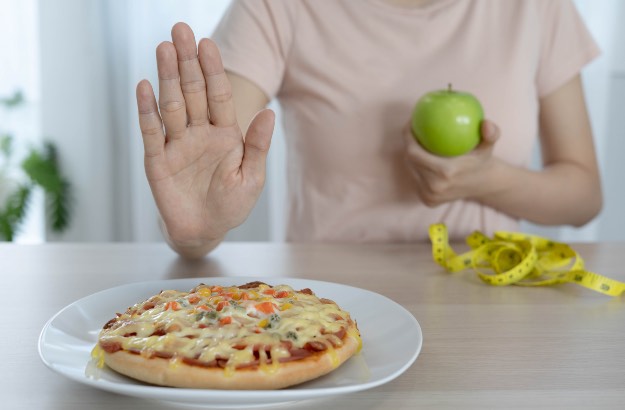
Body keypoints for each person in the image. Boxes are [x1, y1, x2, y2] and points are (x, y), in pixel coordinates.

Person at [136, 0, 602, 259]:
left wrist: (490, 181)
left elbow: (584, 197)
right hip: (328, 309)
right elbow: (207, 174)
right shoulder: (276, 7)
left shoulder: (539, 7)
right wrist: (198, 228)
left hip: (489, 305)